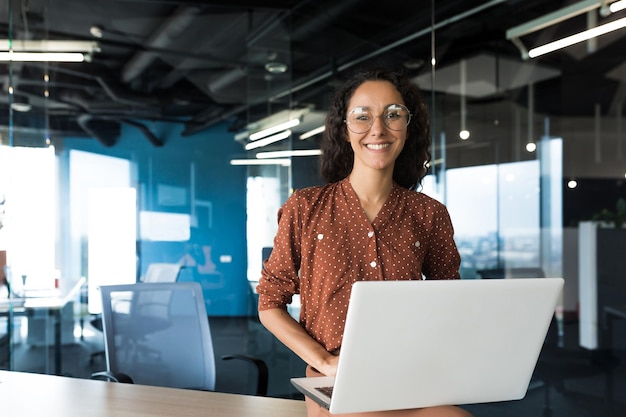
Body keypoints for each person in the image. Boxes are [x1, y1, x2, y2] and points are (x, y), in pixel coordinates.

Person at [256, 65, 473, 417]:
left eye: (393, 115)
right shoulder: (305, 207)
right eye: (362, 116)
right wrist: (324, 361)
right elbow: (270, 304)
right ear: (344, 129)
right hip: (335, 382)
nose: (378, 129)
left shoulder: (428, 214)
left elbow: (448, 302)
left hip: (408, 376)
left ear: (407, 124)